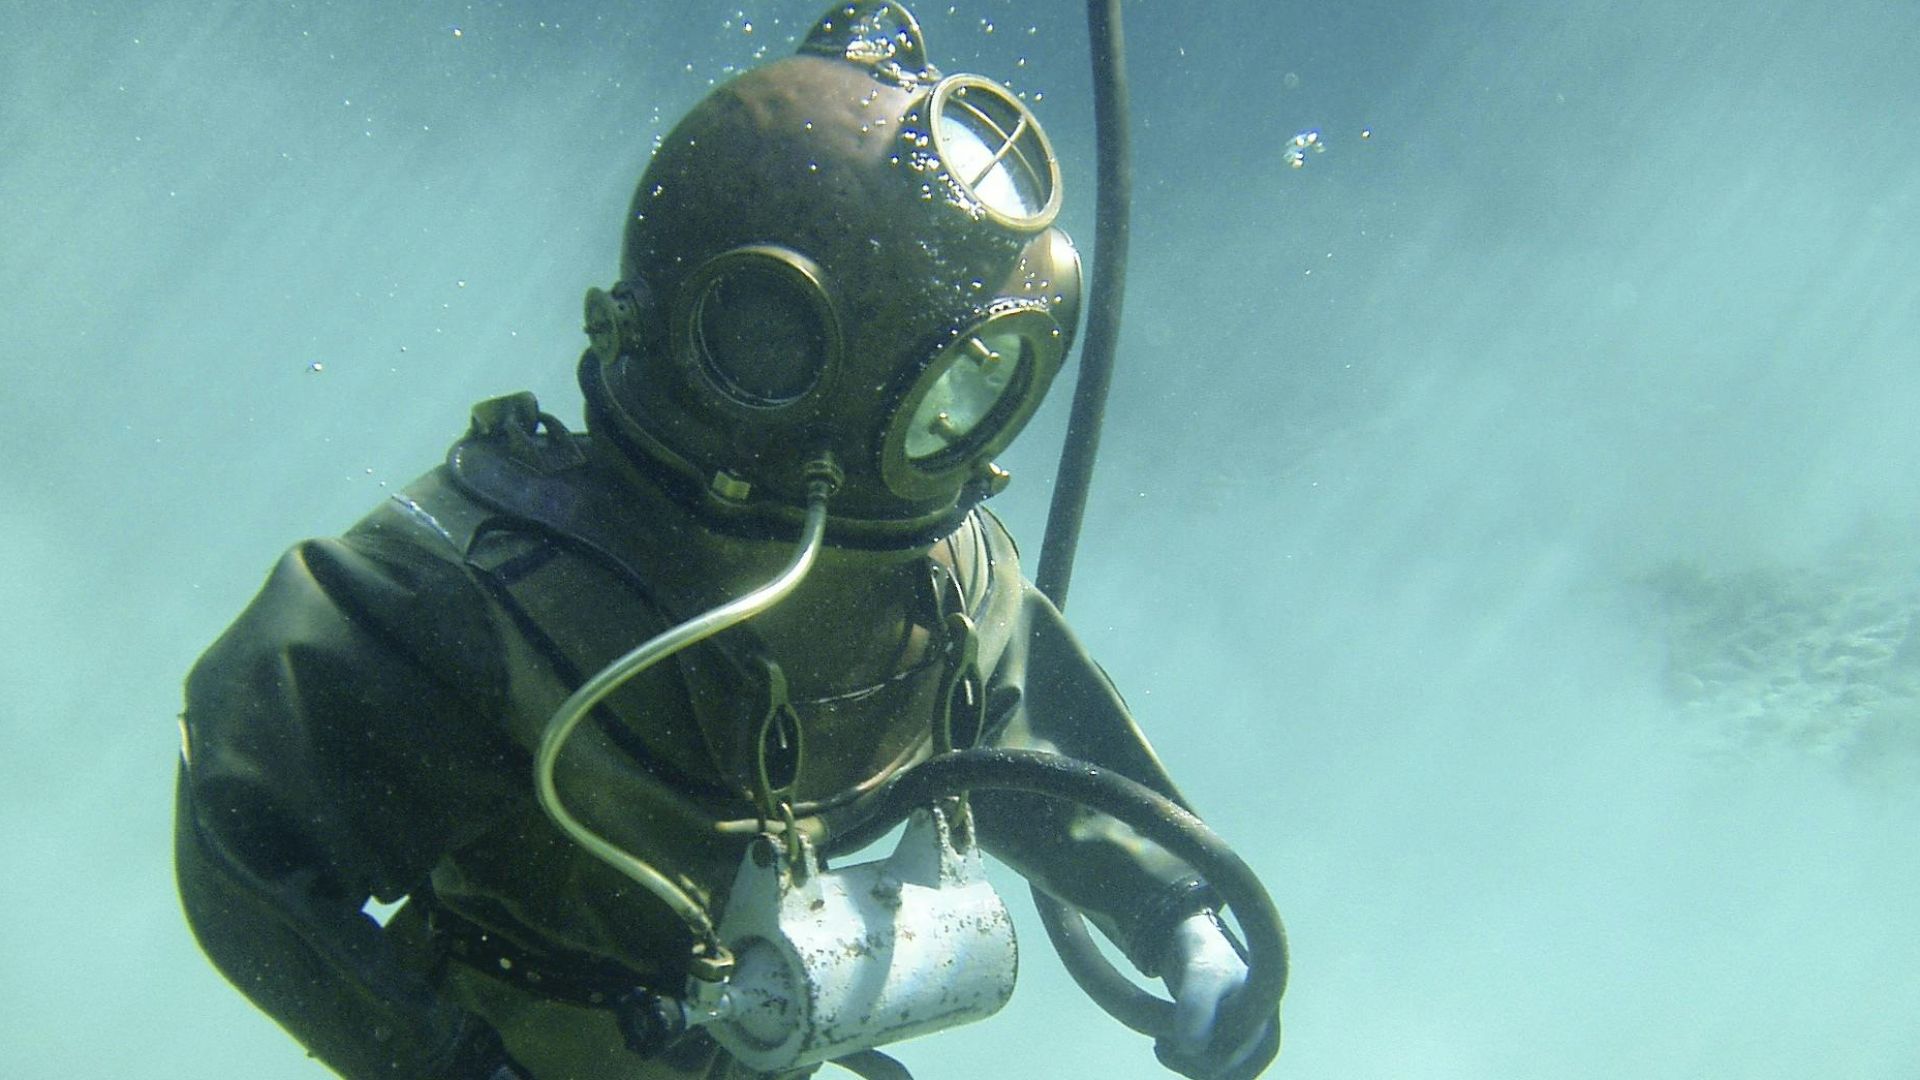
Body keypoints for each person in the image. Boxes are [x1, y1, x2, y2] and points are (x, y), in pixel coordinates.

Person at [175, 5, 1281, 1078]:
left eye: (981, 394)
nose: (956, 438)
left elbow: (1024, 743)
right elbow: (245, 835)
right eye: (949, 393)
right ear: (759, 352)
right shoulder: (486, 597)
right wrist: (442, 1058)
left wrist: (1181, 926)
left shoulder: (946, 583)